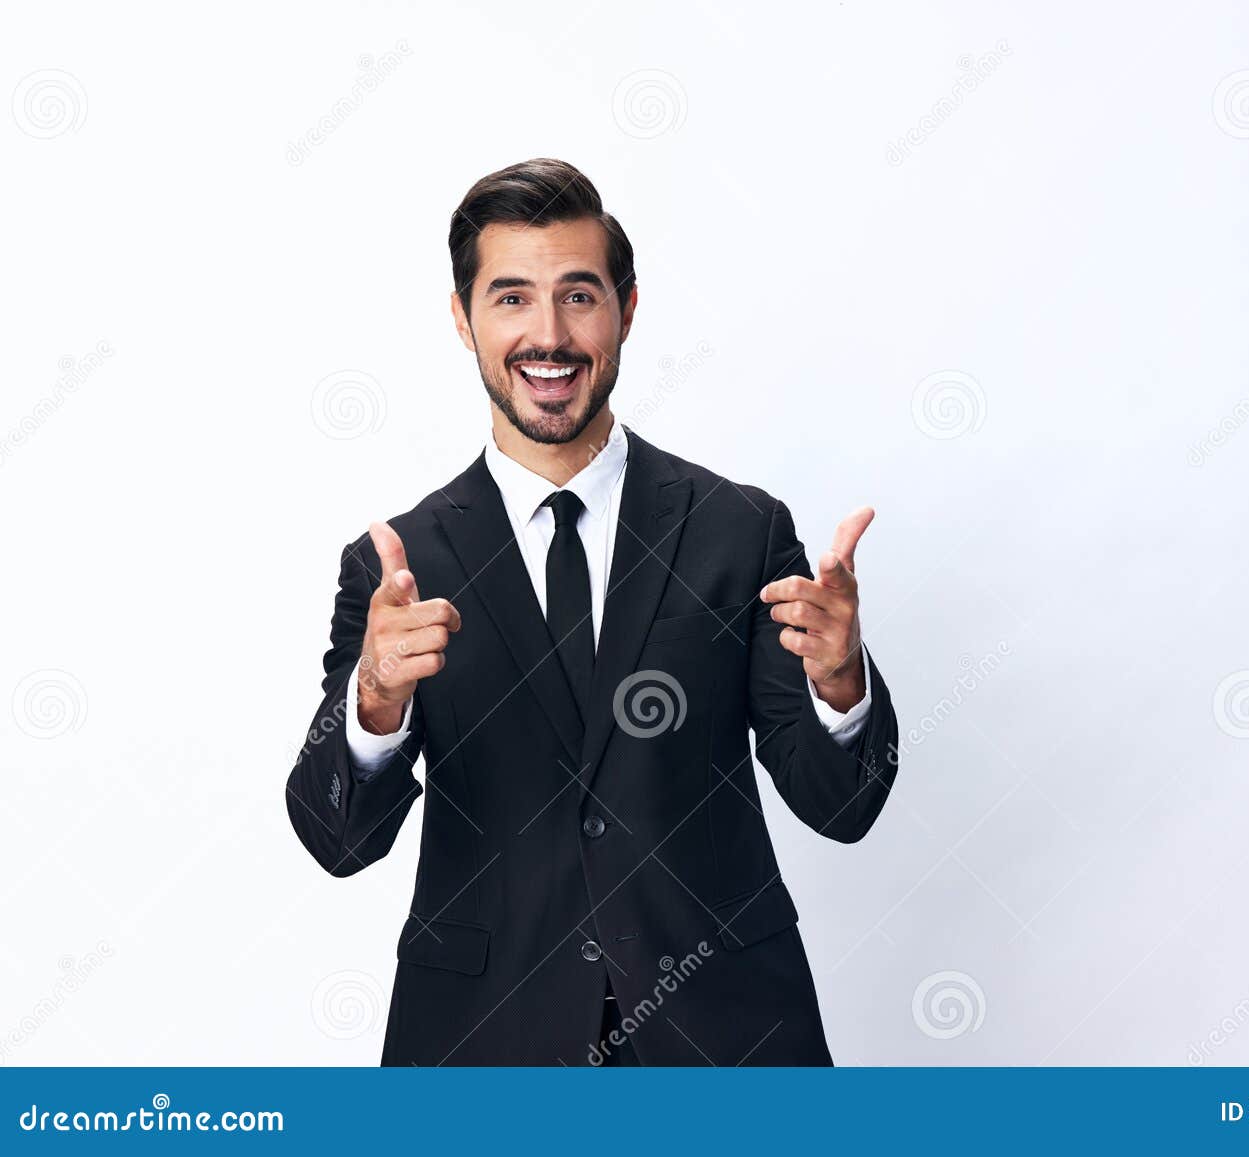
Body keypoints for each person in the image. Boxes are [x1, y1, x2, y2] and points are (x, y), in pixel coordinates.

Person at [284, 158, 900, 1066]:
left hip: (727, 1036)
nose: (549, 334)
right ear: (462, 319)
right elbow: (337, 840)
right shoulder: (399, 567)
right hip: (484, 1040)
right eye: (510, 299)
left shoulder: (739, 529)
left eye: (579, 296)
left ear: (628, 308)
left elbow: (841, 805)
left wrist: (842, 681)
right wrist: (374, 701)